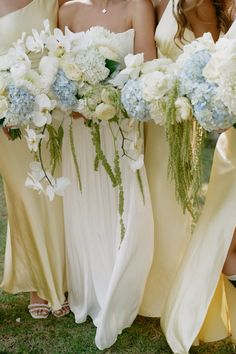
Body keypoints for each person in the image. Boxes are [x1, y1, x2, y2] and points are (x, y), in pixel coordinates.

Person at [59, 0, 156, 349]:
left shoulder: (137, 6)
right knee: (84, 203)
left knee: (126, 204)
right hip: (79, 134)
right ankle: (89, 285)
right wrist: (72, 100)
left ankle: (120, 287)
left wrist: (104, 99)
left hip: (120, 131)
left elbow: (146, 70)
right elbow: (58, 72)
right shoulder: (67, 11)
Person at [154, 1, 236, 353]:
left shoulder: (227, 10)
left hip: (213, 130)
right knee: (223, 231)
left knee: (225, 231)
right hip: (158, 115)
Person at [0, 0, 69, 319]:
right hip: (11, 121)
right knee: (25, 200)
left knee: (56, 200)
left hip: (53, 114)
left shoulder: (53, 1)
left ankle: (62, 279)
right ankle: (37, 286)